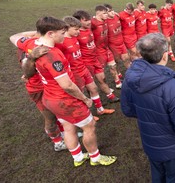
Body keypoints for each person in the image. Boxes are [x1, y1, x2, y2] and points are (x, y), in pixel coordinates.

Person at [31, 16, 117, 166]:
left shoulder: (36, 47)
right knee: (89, 126)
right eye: (62, 33)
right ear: (50, 33)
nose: (64, 36)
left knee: (68, 127)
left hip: (50, 98)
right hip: (65, 100)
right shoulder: (52, 55)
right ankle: (95, 158)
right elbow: (67, 85)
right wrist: (85, 99)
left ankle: (77, 158)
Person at [120, 33, 175, 182]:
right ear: (165, 56)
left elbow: (127, 110)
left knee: (157, 174)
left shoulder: (129, 78)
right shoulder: (172, 86)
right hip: (173, 147)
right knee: (174, 177)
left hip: (150, 142)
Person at [10, 31, 66, 152]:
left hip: (50, 86)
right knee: (49, 117)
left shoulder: (41, 44)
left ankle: (64, 134)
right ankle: (57, 142)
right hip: (38, 88)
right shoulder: (28, 50)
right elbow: (27, 72)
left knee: (58, 112)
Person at [58, 16, 115, 116]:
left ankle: (100, 109)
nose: (78, 31)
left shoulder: (75, 37)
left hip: (83, 68)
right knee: (79, 94)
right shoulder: (61, 42)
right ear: (67, 28)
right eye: (76, 29)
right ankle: (86, 115)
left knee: (93, 88)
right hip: (75, 72)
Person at [73, 10, 119, 104]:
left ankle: (109, 95)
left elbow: (100, 21)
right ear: (78, 22)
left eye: (89, 19)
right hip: (86, 62)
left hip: (95, 59)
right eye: (85, 20)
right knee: (89, 84)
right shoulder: (75, 34)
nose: (89, 22)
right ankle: (93, 100)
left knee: (102, 78)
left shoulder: (90, 28)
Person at [92, 5, 122, 88]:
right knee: (100, 71)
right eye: (104, 13)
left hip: (106, 48)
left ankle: (118, 83)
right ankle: (103, 87)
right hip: (98, 51)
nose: (107, 15)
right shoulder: (93, 23)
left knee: (113, 65)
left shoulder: (105, 20)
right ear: (98, 14)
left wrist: (115, 13)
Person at [104, 3, 131, 70]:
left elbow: (127, 14)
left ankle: (131, 72)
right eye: (109, 11)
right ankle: (118, 73)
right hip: (113, 45)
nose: (112, 12)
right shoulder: (105, 22)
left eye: (112, 10)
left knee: (126, 58)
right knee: (117, 61)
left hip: (121, 43)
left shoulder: (117, 16)